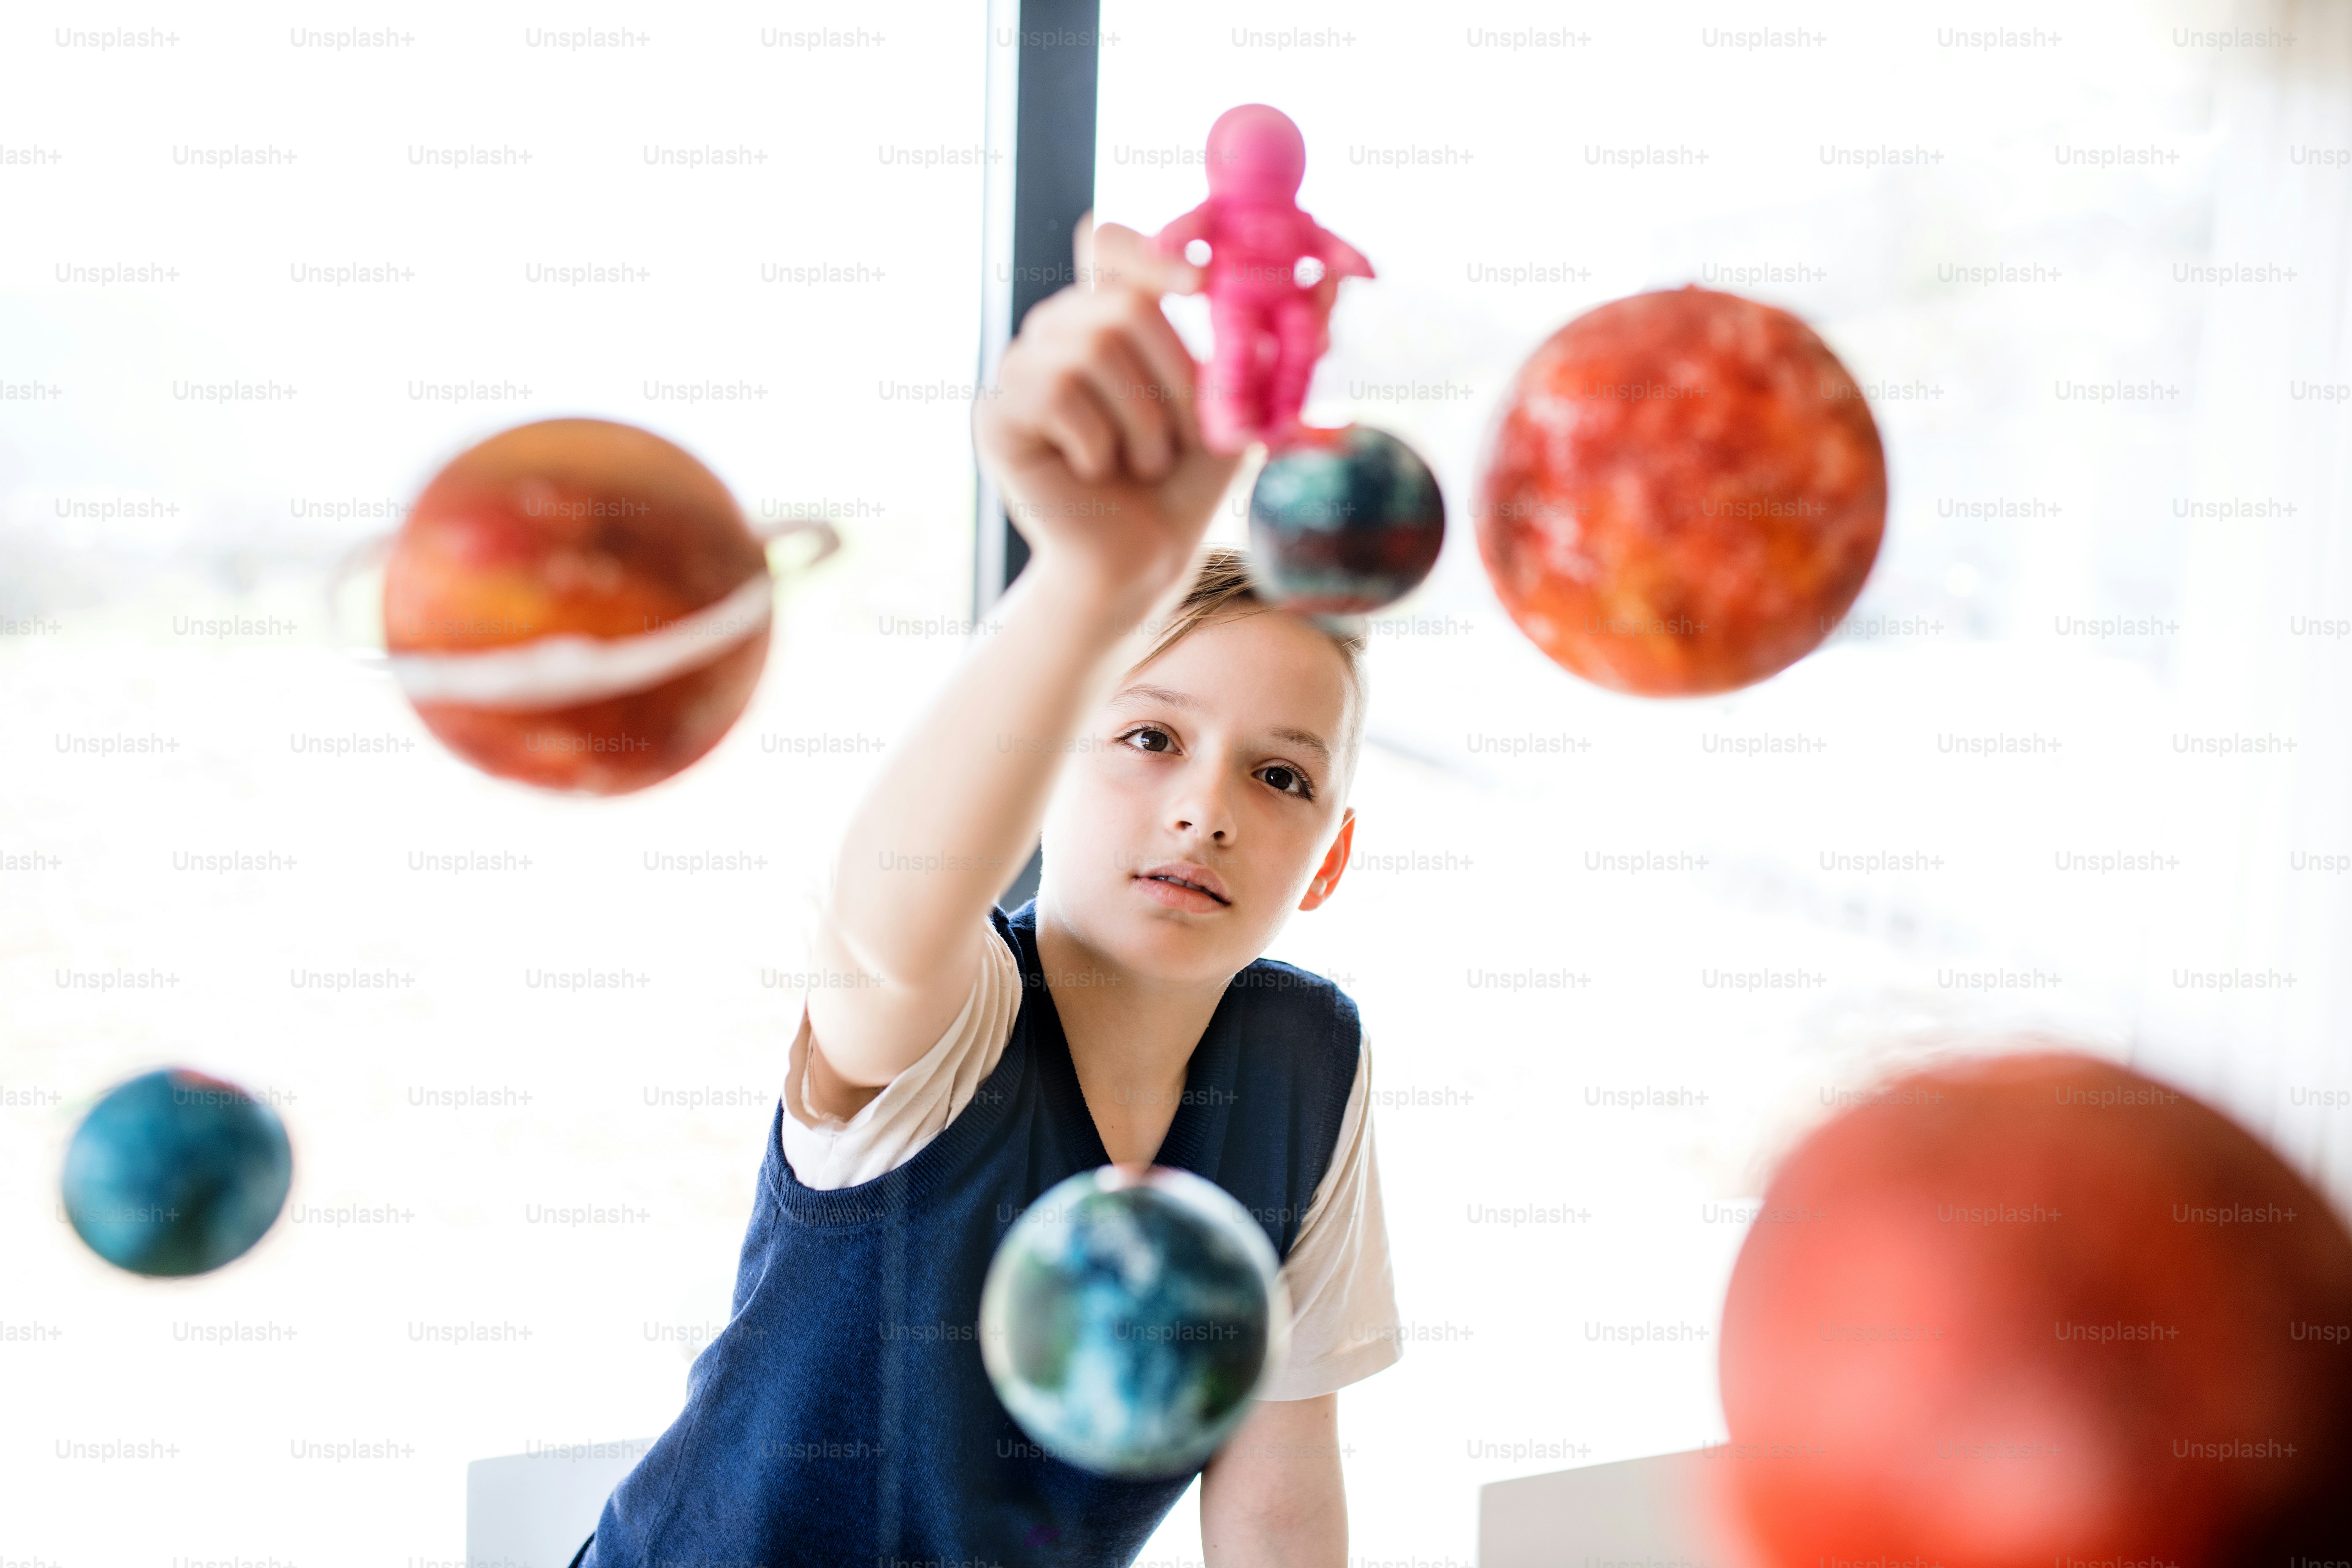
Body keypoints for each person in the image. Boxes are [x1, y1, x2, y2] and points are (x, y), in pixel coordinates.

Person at [577, 219, 1397, 1566]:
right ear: (1046, 775)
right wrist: (1089, 585)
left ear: (1332, 858)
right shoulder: (949, 1030)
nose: (1206, 807)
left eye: (1282, 779)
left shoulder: (1309, 1061)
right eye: (1147, 739)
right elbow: (880, 911)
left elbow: (1279, 1475)